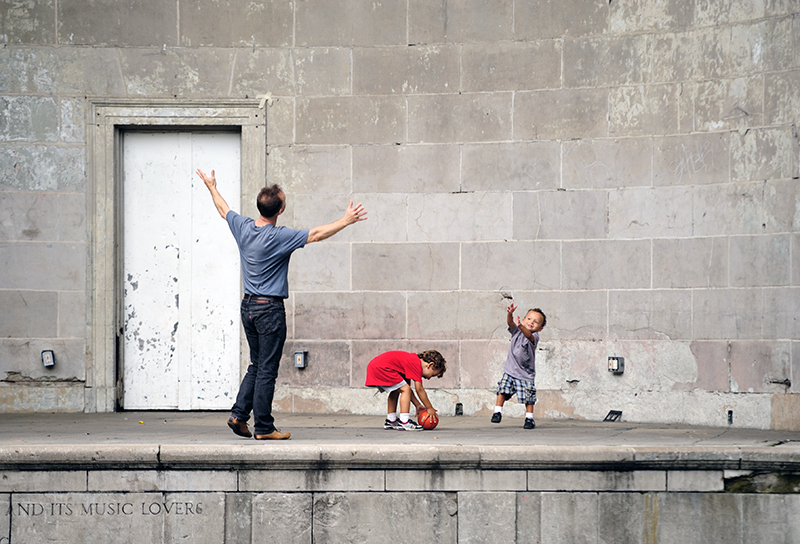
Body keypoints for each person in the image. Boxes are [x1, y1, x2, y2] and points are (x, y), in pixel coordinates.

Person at [196, 168, 367, 440]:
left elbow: (222, 208)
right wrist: (346, 220)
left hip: (248, 308)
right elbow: (318, 234)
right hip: (269, 310)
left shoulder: (242, 227)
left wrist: (211, 186)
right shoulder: (279, 236)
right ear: (280, 210)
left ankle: (239, 415)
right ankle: (263, 427)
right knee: (266, 369)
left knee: (256, 364)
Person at [491, 303, 546, 429]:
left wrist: (521, 326)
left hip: (526, 374)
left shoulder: (535, 337)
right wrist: (510, 314)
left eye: (536, 322)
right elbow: (510, 324)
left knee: (529, 397)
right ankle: (497, 412)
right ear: (523, 319)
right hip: (510, 370)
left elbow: (528, 335)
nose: (531, 322)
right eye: (529, 318)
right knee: (502, 390)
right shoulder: (516, 331)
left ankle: (529, 419)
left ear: (540, 328)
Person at [365, 350, 446, 431]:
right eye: (432, 375)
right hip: (381, 367)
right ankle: (404, 422)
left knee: (397, 390)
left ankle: (391, 420)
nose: (428, 378)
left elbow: (409, 391)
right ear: (430, 365)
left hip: (376, 366)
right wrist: (429, 408)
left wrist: (417, 405)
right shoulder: (416, 364)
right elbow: (419, 390)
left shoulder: (409, 364)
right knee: (405, 389)